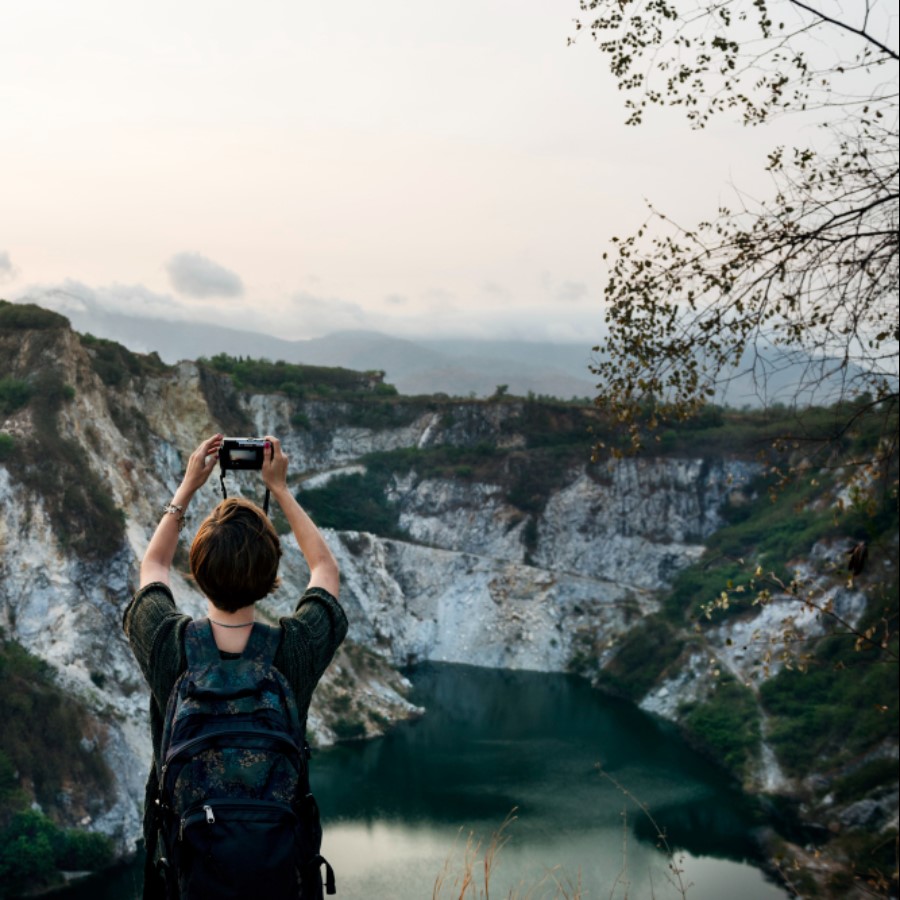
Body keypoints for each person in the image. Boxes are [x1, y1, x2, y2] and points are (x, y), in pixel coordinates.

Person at [123, 433, 346, 900]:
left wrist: (186, 488)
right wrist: (280, 489)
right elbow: (325, 571)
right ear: (271, 576)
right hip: (280, 879)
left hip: (189, 879)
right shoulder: (293, 651)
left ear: (198, 571)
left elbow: (154, 566)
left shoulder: (170, 646)